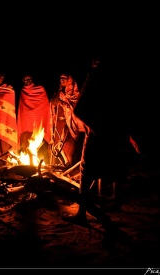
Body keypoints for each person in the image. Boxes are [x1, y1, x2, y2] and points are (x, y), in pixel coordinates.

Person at [62, 58, 141, 228]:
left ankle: (82, 213)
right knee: (116, 166)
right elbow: (130, 108)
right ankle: (115, 202)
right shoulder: (122, 78)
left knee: (87, 170)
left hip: (101, 134)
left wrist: (95, 128)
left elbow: (80, 109)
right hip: (116, 132)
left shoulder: (95, 77)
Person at [49, 73, 86, 167]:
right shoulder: (61, 93)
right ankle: (65, 165)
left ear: (69, 80)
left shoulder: (75, 94)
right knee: (60, 145)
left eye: (64, 78)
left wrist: (66, 101)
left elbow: (76, 106)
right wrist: (60, 91)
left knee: (70, 146)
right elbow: (53, 103)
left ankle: (71, 166)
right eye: (60, 78)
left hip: (74, 124)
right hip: (63, 123)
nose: (61, 80)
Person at [17, 74, 51, 165]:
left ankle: (42, 166)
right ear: (22, 81)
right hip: (27, 125)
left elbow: (45, 106)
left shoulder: (40, 89)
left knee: (41, 148)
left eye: (29, 79)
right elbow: (22, 109)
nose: (27, 81)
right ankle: (28, 166)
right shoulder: (23, 91)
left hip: (39, 124)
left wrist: (37, 112)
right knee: (27, 147)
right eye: (25, 79)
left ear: (32, 79)